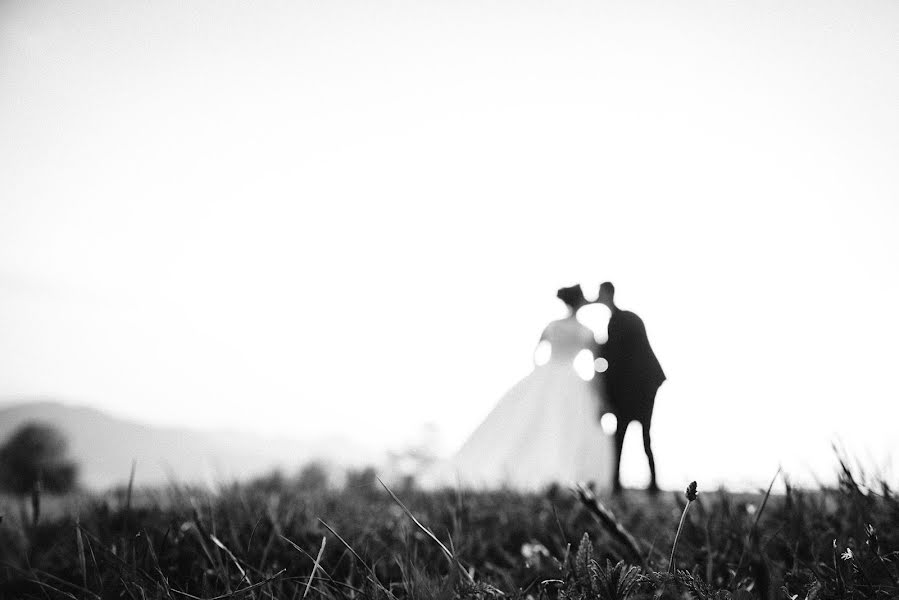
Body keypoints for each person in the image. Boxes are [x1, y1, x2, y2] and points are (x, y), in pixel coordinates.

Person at [433, 284, 616, 490]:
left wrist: (540, 372)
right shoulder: (586, 331)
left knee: (534, 424)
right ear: (580, 302)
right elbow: (596, 366)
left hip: (547, 372)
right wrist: (600, 397)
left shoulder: (553, 326)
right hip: (571, 379)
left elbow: (537, 352)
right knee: (564, 429)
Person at [593, 282, 665, 493]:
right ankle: (625, 484)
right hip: (637, 389)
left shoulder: (621, 321)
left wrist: (607, 393)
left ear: (607, 294)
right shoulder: (625, 320)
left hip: (636, 390)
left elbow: (617, 359)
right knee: (633, 437)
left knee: (636, 437)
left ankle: (645, 484)